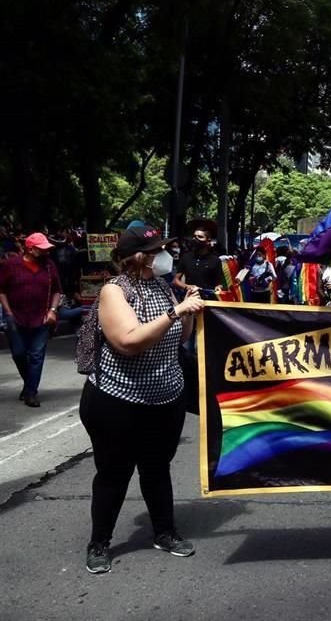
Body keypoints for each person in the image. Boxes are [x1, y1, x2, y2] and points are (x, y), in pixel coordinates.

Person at [80, 225, 205, 574]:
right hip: (117, 401)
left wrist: (187, 311)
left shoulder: (162, 287)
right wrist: (175, 313)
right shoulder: (114, 291)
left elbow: (179, 337)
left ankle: (165, 532)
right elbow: (129, 342)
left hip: (165, 398)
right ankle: (100, 542)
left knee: (157, 468)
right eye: (158, 250)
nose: (166, 255)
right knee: (113, 473)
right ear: (140, 257)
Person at [0, 232, 62, 407]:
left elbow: (57, 290)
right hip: (16, 317)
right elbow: (2, 290)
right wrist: (8, 312)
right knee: (19, 353)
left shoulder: (49, 266)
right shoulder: (11, 265)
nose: (45, 252)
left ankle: (31, 393)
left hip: (41, 317)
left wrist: (53, 310)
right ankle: (29, 385)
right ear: (30, 248)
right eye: (41, 249)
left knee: (36, 355)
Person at [174, 221, 222, 298]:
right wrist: (187, 286)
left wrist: (219, 287)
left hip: (209, 300)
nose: (195, 239)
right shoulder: (186, 257)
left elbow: (219, 283)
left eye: (200, 237)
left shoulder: (215, 260)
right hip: (190, 299)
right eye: (194, 236)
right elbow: (175, 280)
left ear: (208, 240)